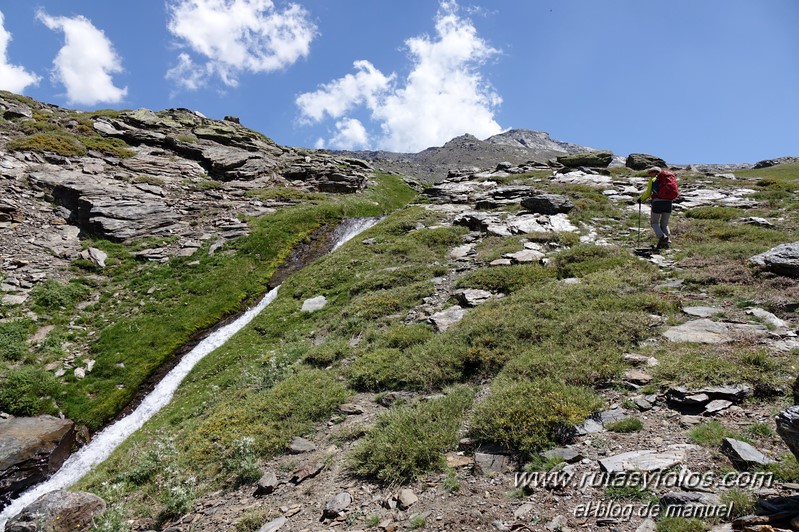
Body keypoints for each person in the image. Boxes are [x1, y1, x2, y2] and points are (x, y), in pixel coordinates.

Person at [638, 166, 678, 249]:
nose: (649, 174)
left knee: (654, 223)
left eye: (650, 173)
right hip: (668, 202)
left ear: (654, 172)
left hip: (658, 202)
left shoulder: (653, 180)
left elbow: (648, 193)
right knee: (664, 224)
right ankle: (668, 242)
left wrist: (641, 199)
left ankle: (662, 237)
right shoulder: (668, 179)